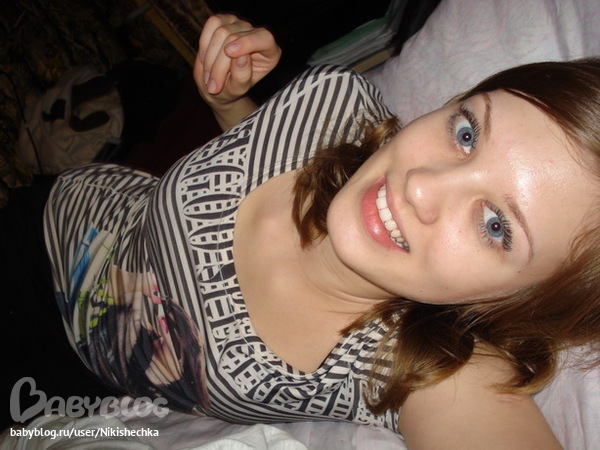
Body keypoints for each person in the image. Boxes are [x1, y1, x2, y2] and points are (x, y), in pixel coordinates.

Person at [7, 13, 600, 448]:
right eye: (467, 133)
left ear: (520, 301)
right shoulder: (332, 101)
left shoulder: (406, 366)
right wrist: (231, 102)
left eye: (496, 226)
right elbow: (257, 157)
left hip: (70, 390)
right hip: (48, 222)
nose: (422, 186)